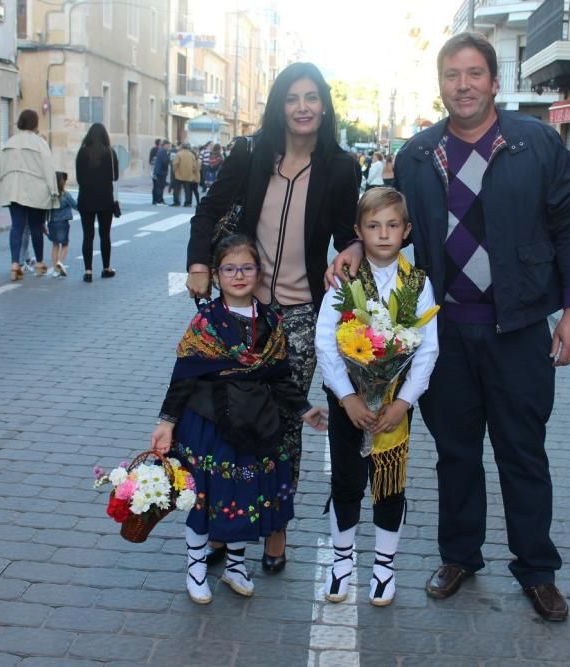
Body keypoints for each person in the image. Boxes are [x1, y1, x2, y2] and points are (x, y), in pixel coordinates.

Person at [328, 32, 570, 622]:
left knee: (523, 452)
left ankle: (537, 568)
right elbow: (398, 224)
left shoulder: (537, 143)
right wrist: (353, 246)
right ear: (441, 84)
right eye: (452, 75)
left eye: (475, 74)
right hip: (445, 332)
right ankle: (460, 555)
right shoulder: (419, 153)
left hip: (519, 328)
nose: (463, 85)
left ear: (494, 81)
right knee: (456, 452)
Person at [186, 61, 361, 573]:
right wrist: (200, 263)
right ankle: (227, 521)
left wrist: (349, 249)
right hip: (243, 313)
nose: (302, 107)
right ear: (280, 105)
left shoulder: (340, 166)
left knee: (284, 424)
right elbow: (206, 210)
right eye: (292, 97)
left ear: (323, 106)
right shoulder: (250, 154)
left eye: (311, 97)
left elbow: (346, 231)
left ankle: (275, 528)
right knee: (226, 416)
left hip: (302, 316)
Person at [151, 234, 328, 605]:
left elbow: (279, 377)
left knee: (244, 496)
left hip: (255, 426)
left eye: (246, 267)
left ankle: (235, 565)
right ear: (217, 275)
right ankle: (196, 568)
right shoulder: (205, 323)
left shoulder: (270, 320)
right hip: (209, 427)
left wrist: (304, 409)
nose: (238, 275)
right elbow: (183, 376)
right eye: (229, 269)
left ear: (258, 273)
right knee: (203, 498)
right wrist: (167, 422)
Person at [315, 187, 439, 607]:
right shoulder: (345, 279)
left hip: (393, 405)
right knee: (347, 481)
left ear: (406, 231)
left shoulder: (418, 282)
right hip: (347, 402)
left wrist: (404, 401)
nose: (383, 234)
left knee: (388, 485)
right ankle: (342, 561)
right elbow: (325, 341)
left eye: (392, 226)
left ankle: (384, 566)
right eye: (373, 226)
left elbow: (429, 347)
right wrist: (347, 396)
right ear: (358, 231)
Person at [0, 109, 58, 281]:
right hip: (36, 190)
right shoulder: (40, 144)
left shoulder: (10, 142)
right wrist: (54, 191)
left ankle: (15, 264)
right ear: (35, 123)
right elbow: (49, 169)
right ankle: (40, 263)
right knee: (36, 226)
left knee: (17, 226)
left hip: (13, 189)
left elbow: (0, 166)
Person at [75, 122, 119, 283]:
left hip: (86, 199)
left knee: (88, 235)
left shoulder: (82, 152)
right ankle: (106, 268)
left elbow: (79, 178)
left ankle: (88, 271)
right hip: (105, 199)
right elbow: (115, 177)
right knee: (105, 235)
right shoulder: (110, 153)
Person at [48, 171, 77, 277]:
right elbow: (76, 206)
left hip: (51, 223)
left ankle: (56, 269)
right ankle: (60, 262)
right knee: (65, 245)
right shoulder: (66, 195)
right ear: (63, 182)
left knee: (55, 245)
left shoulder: (51, 195)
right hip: (63, 223)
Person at [171, 142, 199, 207]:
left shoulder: (179, 154)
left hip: (179, 174)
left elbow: (175, 164)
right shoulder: (191, 155)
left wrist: (174, 171)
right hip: (188, 175)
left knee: (177, 189)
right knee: (187, 190)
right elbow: (194, 166)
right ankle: (187, 203)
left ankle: (176, 202)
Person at [152, 139, 171, 205]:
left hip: (158, 171)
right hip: (161, 172)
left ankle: (155, 200)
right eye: (168, 146)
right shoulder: (163, 151)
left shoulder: (160, 150)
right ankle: (159, 200)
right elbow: (164, 161)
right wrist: (169, 160)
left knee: (157, 187)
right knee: (160, 187)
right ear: (165, 145)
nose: (169, 147)